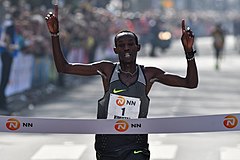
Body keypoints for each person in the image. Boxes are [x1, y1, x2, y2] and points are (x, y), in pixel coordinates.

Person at [45, 10, 198, 160]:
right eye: (121, 45)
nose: (126, 48)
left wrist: (189, 52)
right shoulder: (107, 70)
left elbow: (190, 83)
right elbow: (64, 68)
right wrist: (54, 35)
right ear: (115, 49)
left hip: (136, 147)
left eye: (130, 44)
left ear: (138, 47)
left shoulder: (149, 74)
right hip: (108, 148)